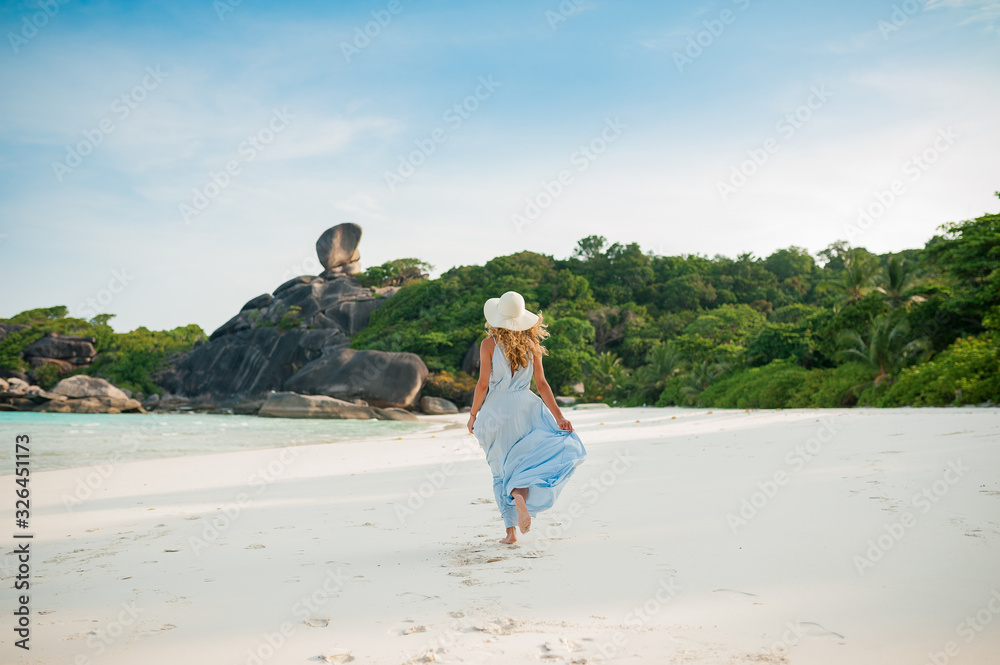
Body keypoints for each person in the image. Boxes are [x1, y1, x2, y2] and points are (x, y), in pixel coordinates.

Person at [467, 290, 587, 544]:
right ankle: (519, 496)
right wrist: (559, 418)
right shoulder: (532, 345)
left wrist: (473, 413)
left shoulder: (488, 345)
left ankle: (510, 532)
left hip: (496, 409)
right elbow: (542, 384)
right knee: (522, 464)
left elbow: (482, 384)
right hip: (525, 408)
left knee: (500, 470)